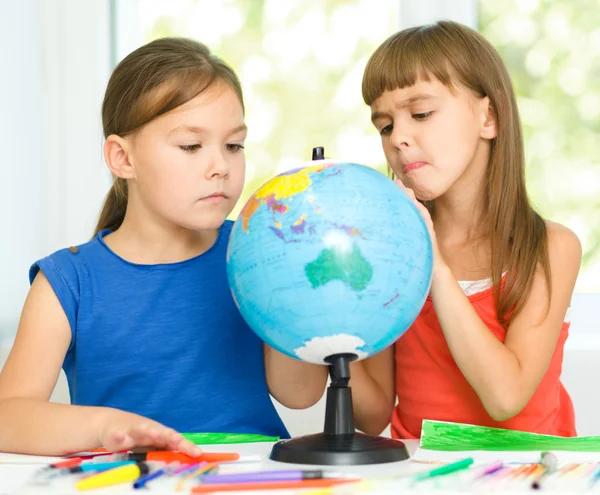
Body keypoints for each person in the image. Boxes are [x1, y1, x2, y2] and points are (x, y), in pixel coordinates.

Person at [0, 37, 327, 456]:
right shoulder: (69, 281)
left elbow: (300, 394)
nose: (221, 167)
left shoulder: (254, 253)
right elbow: (8, 417)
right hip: (133, 479)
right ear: (123, 158)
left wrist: (288, 274)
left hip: (250, 477)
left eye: (234, 145)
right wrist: (105, 426)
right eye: (191, 146)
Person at [351, 20, 581, 439]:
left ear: (488, 117)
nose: (399, 137)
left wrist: (434, 264)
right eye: (385, 126)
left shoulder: (551, 247)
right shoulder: (391, 253)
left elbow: (505, 396)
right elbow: (371, 416)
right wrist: (322, 319)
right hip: (420, 474)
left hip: (526, 474)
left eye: (420, 113)